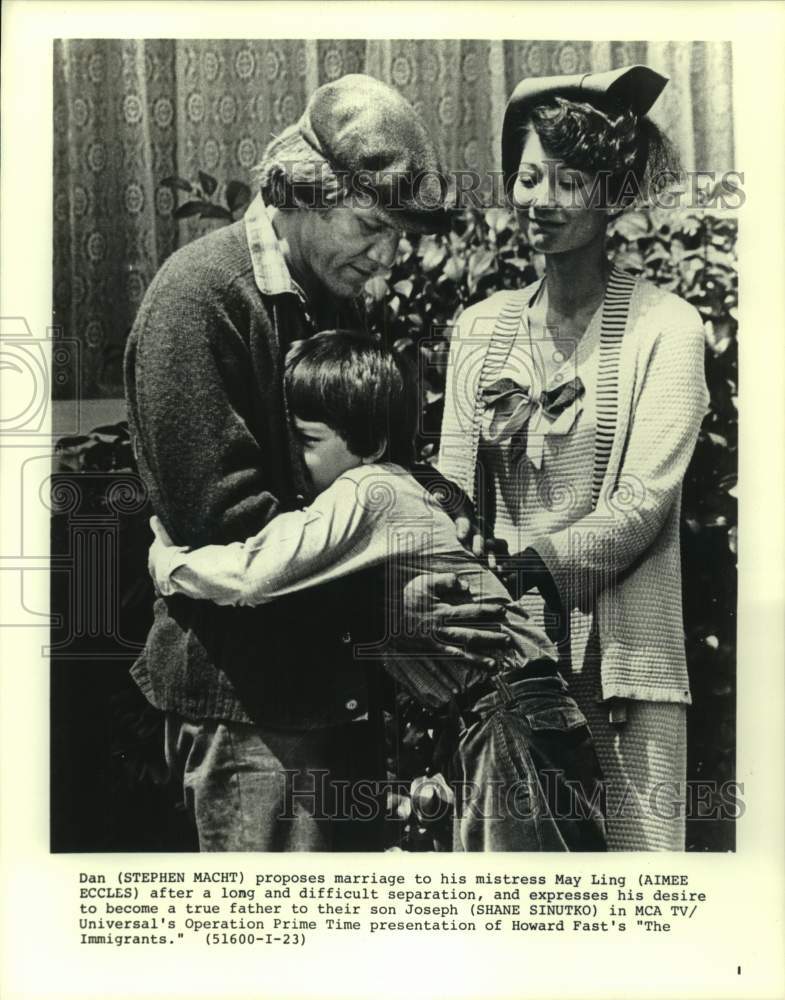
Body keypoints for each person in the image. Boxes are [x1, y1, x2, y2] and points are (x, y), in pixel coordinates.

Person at [123, 74, 507, 853]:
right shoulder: (199, 299)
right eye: (370, 225)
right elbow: (229, 534)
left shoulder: (327, 298)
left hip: (332, 697)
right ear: (299, 191)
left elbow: (375, 476)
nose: (388, 257)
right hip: (250, 717)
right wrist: (387, 619)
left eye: (399, 234)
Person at [148, 330, 607, 852]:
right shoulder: (394, 485)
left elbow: (256, 573)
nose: (298, 460)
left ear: (370, 444)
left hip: (507, 714)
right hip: (520, 708)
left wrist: (168, 564)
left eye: (308, 441)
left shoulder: (367, 492)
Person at [437, 65, 710, 850]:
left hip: (625, 669)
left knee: (635, 912)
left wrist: (522, 569)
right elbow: (454, 486)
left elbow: (640, 506)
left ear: (611, 193)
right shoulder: (480, 328)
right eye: (528, 178)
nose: (541, 201)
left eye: (569, 181)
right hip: (510, 669)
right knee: (520, 919)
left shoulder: (667, 329)